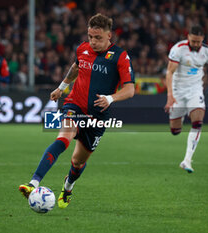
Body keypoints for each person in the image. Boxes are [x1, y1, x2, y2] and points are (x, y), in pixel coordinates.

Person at [19, 13, 135, 208]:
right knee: (63, 138)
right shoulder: (83, 49)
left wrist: (110, 98)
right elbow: (75, 67)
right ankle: (33, 183)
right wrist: (61, 87)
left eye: (98, 38)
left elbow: (130, 89)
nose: (93, 42)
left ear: (109, 36)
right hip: (74, 105)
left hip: (98, 116)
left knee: (78, 162)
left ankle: (68, 186)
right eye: (90, 37)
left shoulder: (120, 56)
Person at [164, 25, 208, 173]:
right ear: (188, 37)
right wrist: (170, 96)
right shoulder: (178, 49)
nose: (195, 44)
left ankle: (187, 160)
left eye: (198, 42)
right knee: (175, 131)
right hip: (178, 90)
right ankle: (180, 116)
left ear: (202, 40)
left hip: (195, 89)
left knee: (198, 122)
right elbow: (169, 72)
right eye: (193, 41)